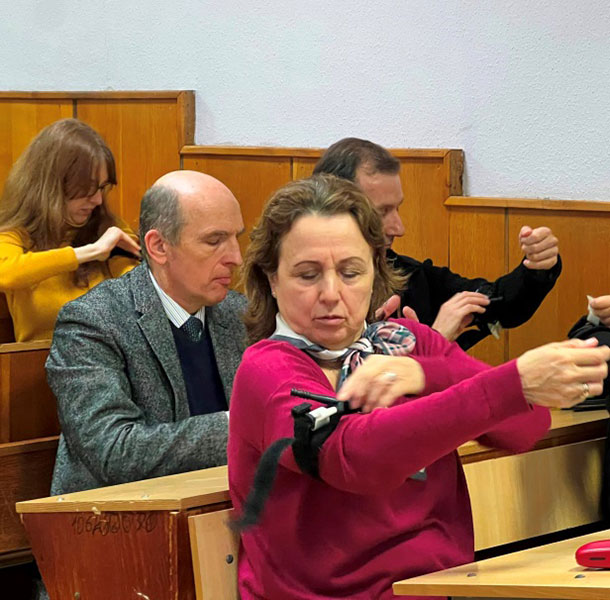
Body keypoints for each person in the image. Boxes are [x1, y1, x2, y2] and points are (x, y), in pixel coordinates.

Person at [228, 174, 609, 600]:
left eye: (351, 272)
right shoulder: (268, 369)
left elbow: (525, 427)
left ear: (376, 269)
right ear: (272, 279)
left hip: (442, 587)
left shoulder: (409, 342)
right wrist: (513, 381)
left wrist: (425, 374)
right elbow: (353, 457)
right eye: (307, 275)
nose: (331, 293)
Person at [46, 170, 246, 496]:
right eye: (214, 241)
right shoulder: (92, 321)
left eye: (237, 238)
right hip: (115, 518)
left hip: (227, 510)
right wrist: (240, 425)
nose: (235, 258)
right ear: (158, 246)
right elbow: (114, 450)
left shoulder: (242, 315)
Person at [313, 138, 562, 349]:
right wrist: (435, 341)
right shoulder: (307, 295)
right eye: (381, 212)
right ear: (334, 211)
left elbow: (500, 304)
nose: (399, 228)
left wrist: (536, 267)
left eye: (397, 209)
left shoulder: (408, 274)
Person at [0, 118, 141, 342]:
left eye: (102, 187)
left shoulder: (107, 226)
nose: (97, 200)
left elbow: (136, 294)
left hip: (107, 355)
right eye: (87, 188)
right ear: (53, 185)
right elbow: (6, 273)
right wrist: (90, 252)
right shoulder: (17, 234)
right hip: (40, 360)